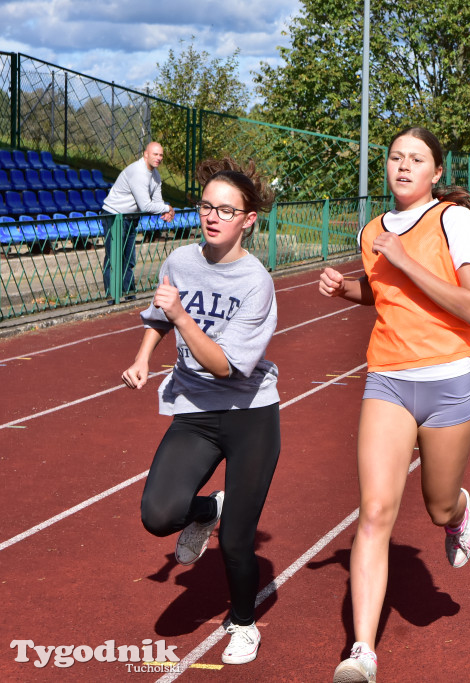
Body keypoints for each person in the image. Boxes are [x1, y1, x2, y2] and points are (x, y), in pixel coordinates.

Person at [319, 126, 470, 683]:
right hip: (387, 378)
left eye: (417, 159)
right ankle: (361, 652)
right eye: (395, 157)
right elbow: (383, 290)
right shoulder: (372, 231)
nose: (404, 166)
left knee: (435, 505)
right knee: (374, 514)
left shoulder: (452, 220)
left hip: (448, 381)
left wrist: (405, 259)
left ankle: (458, 512)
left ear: (436, 172)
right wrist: (347, 288)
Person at [121, 157, 279, 666]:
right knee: (158, 515)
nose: (213, 217)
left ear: (248, 219)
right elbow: (158, 313)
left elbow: (225, 367)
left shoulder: (256, 282)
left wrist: (182, 315)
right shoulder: (180, 258)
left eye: (226, 210)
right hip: (193, 410)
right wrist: (144, 355)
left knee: (236, 542)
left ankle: (244, 623)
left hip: (249, 414)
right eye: (207, 206)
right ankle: (205, 509)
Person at [102, 141, 175, 299]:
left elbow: (157, 202)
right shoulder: (138, 172)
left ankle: (129, 293)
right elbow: (146, 205)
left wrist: (166, 210)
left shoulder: (155, 176)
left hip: (131, 217)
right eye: (155, 154)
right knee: (113, 257)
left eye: (161, 155)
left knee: (129, 258)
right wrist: (166, 208)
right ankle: (112, 296)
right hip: (114, 215)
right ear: (146, 154)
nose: (159, 158)